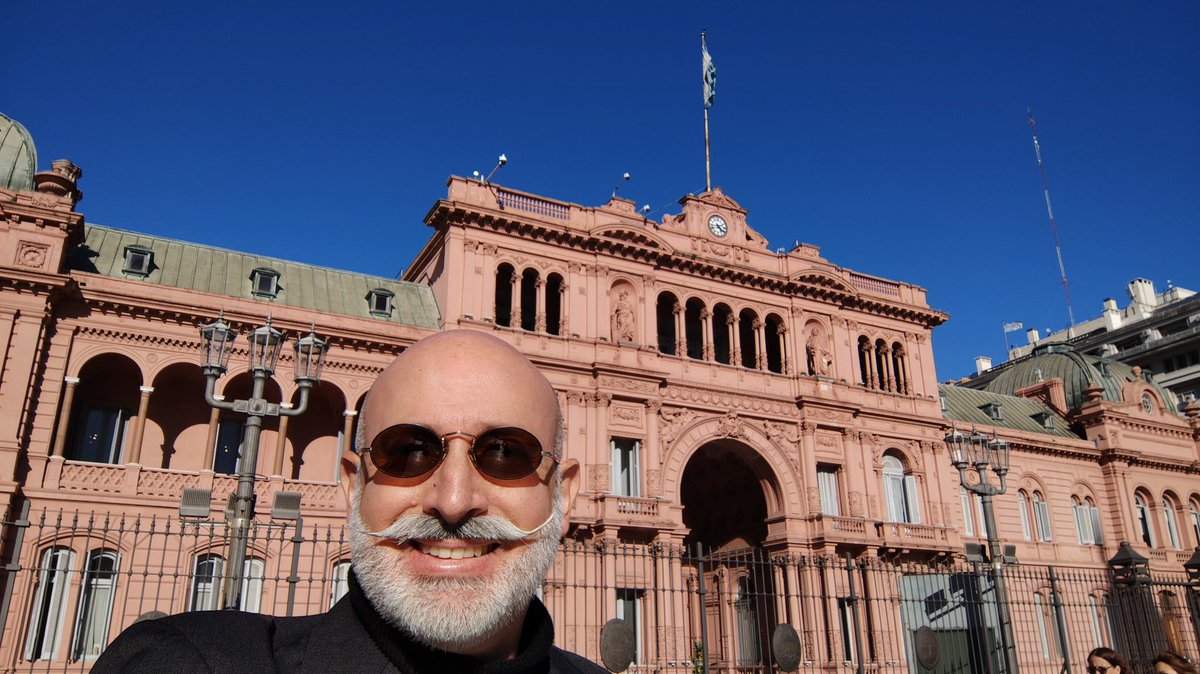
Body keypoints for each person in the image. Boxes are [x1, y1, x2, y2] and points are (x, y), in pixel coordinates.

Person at [95, 330, 602, 673]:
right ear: (353, 487)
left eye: (506, 453)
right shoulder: (190, 661)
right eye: (407, 452)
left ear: (564, 495)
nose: (452, 501)